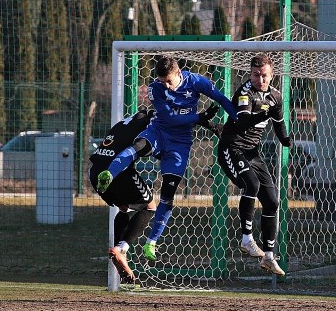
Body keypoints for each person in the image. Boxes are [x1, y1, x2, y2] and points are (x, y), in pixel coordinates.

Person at [96, 56, 237, 262]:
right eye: (162, 82)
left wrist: (237, 119)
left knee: (168, 194)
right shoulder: (156, 89)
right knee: (137, 147)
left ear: (179, 73)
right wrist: (200, 117)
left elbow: (223, 99)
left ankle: (150, 242)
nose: (167, 87)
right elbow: (170, 118)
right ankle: (109, 173)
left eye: (169, 81)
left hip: (180, 145)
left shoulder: (196, 82)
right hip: (159, 132)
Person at [217, 54, 293, 277]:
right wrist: (266, 112)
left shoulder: (276, 96)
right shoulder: (244, 93)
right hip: (231, 148)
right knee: (251, 185)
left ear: (272, 75)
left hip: (252, 153)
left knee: (272, 201)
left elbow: (278, 122)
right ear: (250, 74)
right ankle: (247, 238)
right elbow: (242, 121)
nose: (260, 79)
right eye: (256, 75)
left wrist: (285, 139)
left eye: (264, 75)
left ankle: (269, 257)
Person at [90, 107, 157, 286]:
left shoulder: (126, 121)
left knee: (123, 207)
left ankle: (120, 253)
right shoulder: (149, 124)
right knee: (151, 206)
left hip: (95, 172)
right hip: (118, 172)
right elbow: (142, 146)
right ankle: (122, 248)